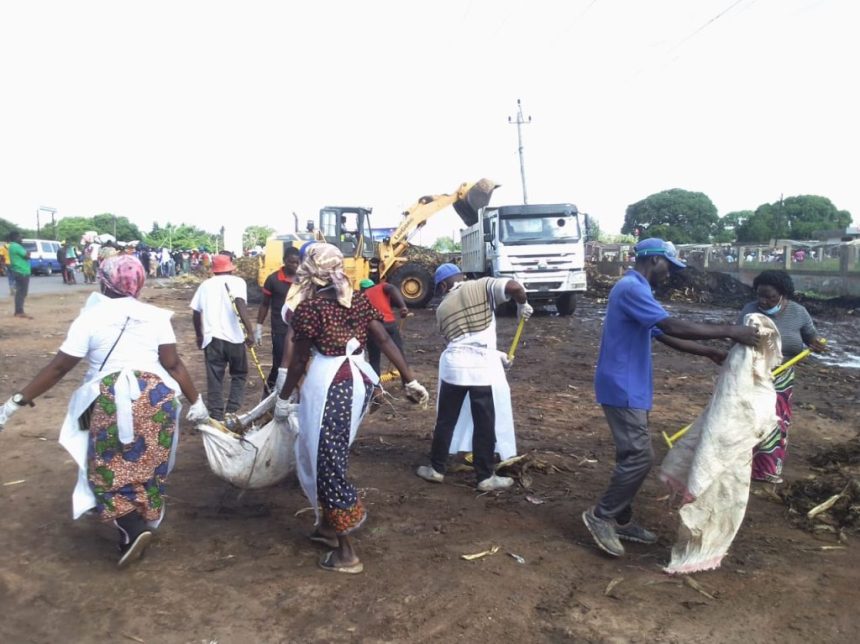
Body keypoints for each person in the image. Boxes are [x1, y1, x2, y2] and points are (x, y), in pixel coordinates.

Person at [0, 255, 210, 568]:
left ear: (104, 281)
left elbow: (59, 368)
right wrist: (198, 402)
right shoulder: (155, 316)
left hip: (107, 398)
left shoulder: (90, 318)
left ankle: (130, 524)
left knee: (99, 462)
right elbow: (173, 363)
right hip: (157, 398)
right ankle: (136, 526)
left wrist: (14, 403)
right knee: (148, 461)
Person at [583, 238, 759, 558]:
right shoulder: (631, 288)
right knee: (639, 457)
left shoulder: (636, 289)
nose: (670, 274)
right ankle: (601, 516)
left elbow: (663, 334)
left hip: (630, 384)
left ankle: (621, 519)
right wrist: (731, 331)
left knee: (630, 456)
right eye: (668, 266)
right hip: (622, 385)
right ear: (653, 261)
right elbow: (672, 324)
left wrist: (708, 352)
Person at [275, 244, 429, 574]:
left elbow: (301, 358)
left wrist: (283, 398)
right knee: (324, 452)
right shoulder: (356, 299)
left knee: (326, 459)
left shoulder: (310, 308)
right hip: (357, 380)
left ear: (310, 269)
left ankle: (346, 553)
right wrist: (409, 379)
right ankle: (328, 528)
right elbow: (384, 340)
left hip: (330, 383)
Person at [415, 263, 532, 492]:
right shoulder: (482, 285)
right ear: (462, 276)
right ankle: (485, 477)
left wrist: (496, 355)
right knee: (484, 422)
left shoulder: (442, 310)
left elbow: (461, 343)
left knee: (446, 420)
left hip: (455, 367)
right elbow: (516, 287)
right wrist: (523, 304)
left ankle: (436, 469)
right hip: (482, 369)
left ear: (444, 285)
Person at [738, 270, 825, 484]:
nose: (764, 301)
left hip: (782, 377)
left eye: (770, 297)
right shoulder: (750, 311)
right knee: (749, 419)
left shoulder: (798, 313)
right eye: (760, 295)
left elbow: (811, 338)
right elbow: (737, 339)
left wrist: (817, 344)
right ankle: (741, 468)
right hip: (753, 374)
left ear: (783, 294)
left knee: (775, 422)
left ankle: (767, 470)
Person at [190, 253, 256, 421]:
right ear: (231, 268)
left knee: (214, 378)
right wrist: (250, 332)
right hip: (235, 338)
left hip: (212, 339)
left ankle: (216, 414)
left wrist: (199, 335)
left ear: (214, 270)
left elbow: (196, 313)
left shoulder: (205, 285)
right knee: (239, 374)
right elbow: (240, 304)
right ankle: (231, 411)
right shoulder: (238, 282)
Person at [255, 245, 301, 394]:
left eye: (297, 262)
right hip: (280, 329)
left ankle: (291, 395)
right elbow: (264, 304)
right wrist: (259, 327)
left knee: (299, 363)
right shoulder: (273, 279)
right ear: (284, 261)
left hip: (301, 328)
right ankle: (268, 394)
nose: (294, 265)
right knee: (280, 364)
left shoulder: (303, 280)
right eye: (291, 262)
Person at [359, 278, 410, 377]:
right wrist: (403, 306)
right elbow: (391, 288)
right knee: (399, 353)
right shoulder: (381, 287)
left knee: (374, 358)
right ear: (373, 285)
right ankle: (407, 382)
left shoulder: (361, 296)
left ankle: (376, 386)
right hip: (389, 323)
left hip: (373, 327)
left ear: (362, 289)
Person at [6, 231, 31, 318]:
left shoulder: (12, 246)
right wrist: (27, 253)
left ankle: (19, 310)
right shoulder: (16, 246)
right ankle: (19, 311)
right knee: (21, 292)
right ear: (15, 237)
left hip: (18, 271)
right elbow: (27, 256)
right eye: (20, 237)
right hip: (21, 271)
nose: (22, 239)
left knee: (20, 292)